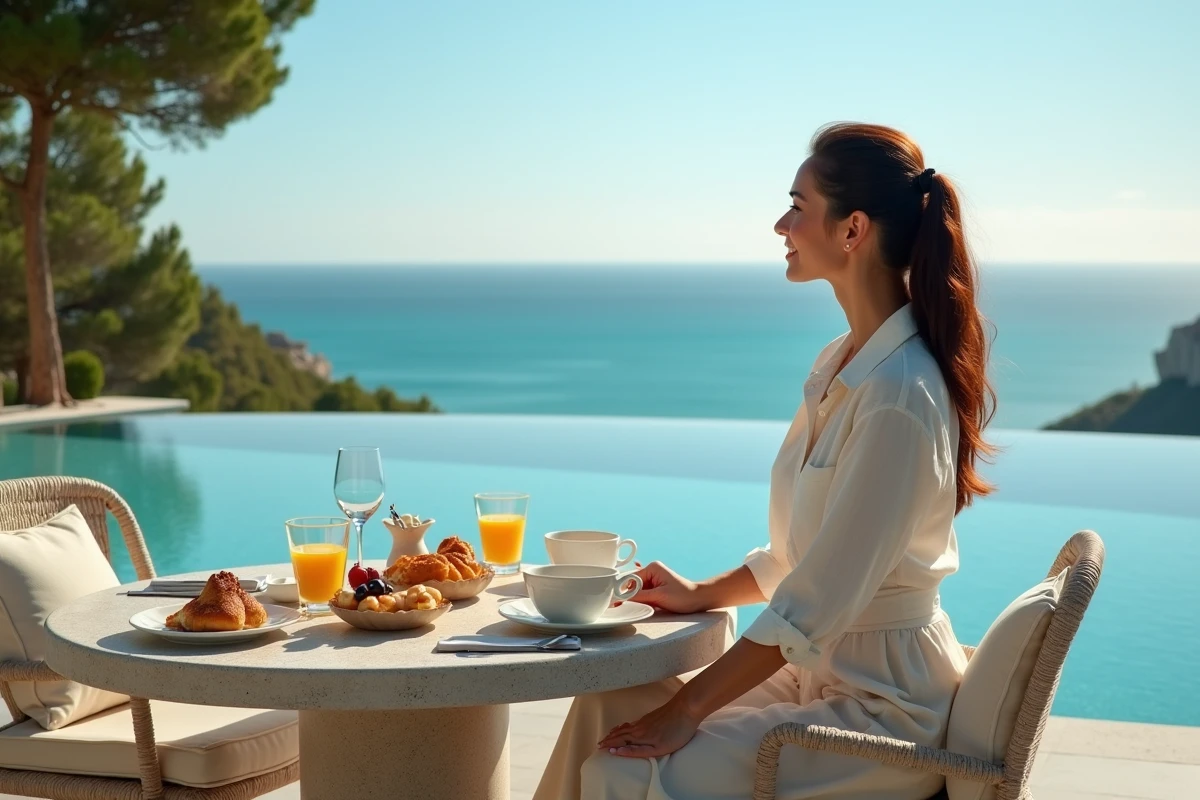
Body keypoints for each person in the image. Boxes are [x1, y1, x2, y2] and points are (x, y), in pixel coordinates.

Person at [533, 122, 997, 799]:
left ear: (852, 230)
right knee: (606, 709)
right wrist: (702, 593)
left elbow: (815, 600)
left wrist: (687, 709)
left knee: (623, 766)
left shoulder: (898, 396)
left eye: (798, 206)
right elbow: (808, 554)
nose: (781, 223)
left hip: (883, 712)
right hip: (819, 676)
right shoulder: (840, 365)